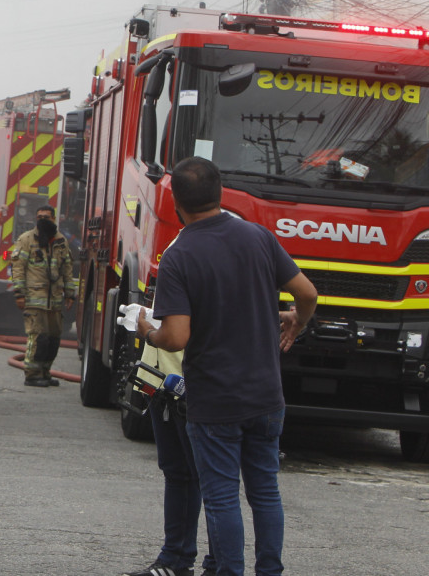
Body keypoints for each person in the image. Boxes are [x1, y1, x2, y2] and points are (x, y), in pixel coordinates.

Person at [136, 157, 317, 576]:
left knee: (220, 497)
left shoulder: (179, 255)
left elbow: (177, 336)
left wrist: (148, 331)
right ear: (220, 192)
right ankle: (270, 571)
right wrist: (297, 320)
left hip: (216, 399)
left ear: (176, 203)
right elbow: (307, 294)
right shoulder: (258, 237)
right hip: (267, 395)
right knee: (265, 492)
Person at [119, 340, 216, 576]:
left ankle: (218, 566)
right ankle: (175, 561)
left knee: (212, 483)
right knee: (176, 473)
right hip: (159, 379)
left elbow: (178, 329)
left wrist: (150, 330)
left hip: (190, 383)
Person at [9, 205, 75, 387]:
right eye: (39, 217)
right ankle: (32, 374)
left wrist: (70, 294)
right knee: (38, 337)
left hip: (54, 301)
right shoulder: (26, 240)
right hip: (34, 298)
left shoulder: (61, 241)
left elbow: (67, 269)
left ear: (53, 219)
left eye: (46, 217)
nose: (43, 220)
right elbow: (18, 269)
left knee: (53, 339)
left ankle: (45, 372)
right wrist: (19, 294)